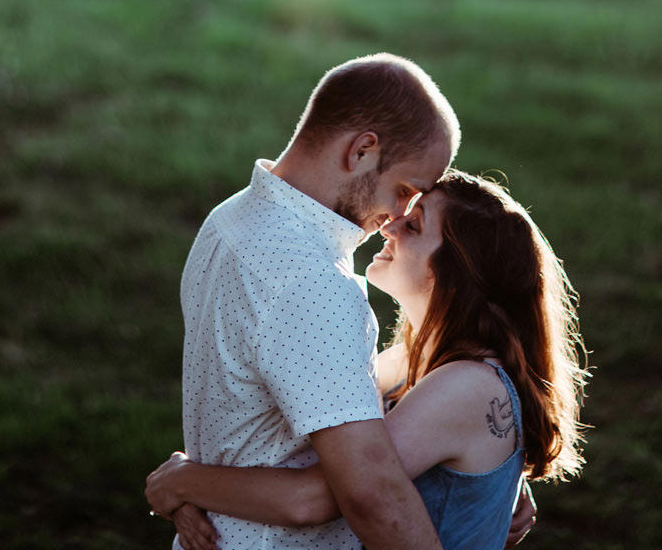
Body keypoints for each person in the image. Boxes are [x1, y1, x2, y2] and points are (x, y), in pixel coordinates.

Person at [149, 167, 586, 550]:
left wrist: (180, 482)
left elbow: (314, 498)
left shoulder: (467, 386)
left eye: (413, 226)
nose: (388, 228)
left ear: (459, 271)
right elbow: (281, 434)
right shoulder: (411, 365)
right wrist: (191, 487)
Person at [161, 53, 464, 550]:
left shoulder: (231, 219)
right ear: (362, 149)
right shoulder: (310, 281)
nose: (398, 217)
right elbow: (370, 494)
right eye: (405, 190)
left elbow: (296, 386)